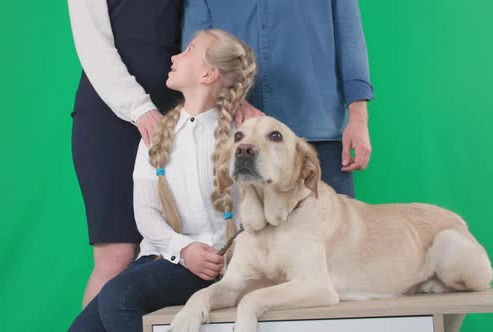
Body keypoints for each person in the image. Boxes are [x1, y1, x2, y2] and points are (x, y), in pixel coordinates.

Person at [68, 29, 257, 331]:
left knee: (119, 297)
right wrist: (182, 249)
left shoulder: (244, 136)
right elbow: (146, 214)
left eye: (190, 50)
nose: (175, 56)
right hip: (169, 257)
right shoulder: (156, 136)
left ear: (209, 74)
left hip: (217, 264)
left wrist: (205, 255)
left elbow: (259, 209)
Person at [183, 0, 375, 198]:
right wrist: (235, 97)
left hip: (318, 135)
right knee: (247, 226)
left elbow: (350, 41)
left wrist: (359, 119)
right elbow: (195, 54)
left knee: (335, 226)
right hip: (243, 140)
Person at [67, 0, 183, 307]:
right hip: (110, 120)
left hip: (177, 116)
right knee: (116, 255)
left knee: (169, 254)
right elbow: (93, 45)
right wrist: (139, 108)